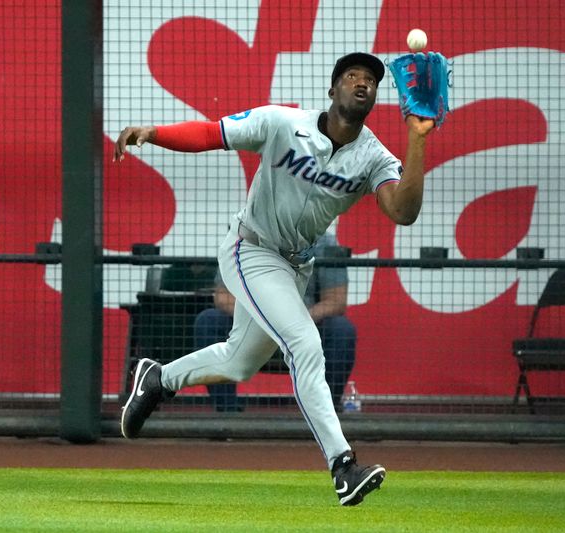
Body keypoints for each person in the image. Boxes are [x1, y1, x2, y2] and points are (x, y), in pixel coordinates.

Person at [114, 52, 437, 506]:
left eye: (370, 80)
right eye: (351, 76)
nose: (361, 83)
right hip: (251, 248)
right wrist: (154, 134)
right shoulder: (283, 124)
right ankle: (343, 466)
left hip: (294, 267)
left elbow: (403, 212)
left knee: (238, 362)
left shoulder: (373, 157)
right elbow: (212, 133)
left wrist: (418, 140)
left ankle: (158, 379)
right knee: (305, 344)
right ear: (332, 90)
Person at [195, 231, 356, 412]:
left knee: (342, 329)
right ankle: (227, 412)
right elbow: (223, 296)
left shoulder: (322, 240)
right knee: (208, 321)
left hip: (303, 325)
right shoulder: (242, 235)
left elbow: (336, 301)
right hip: (252, 323)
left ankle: (323, 412)